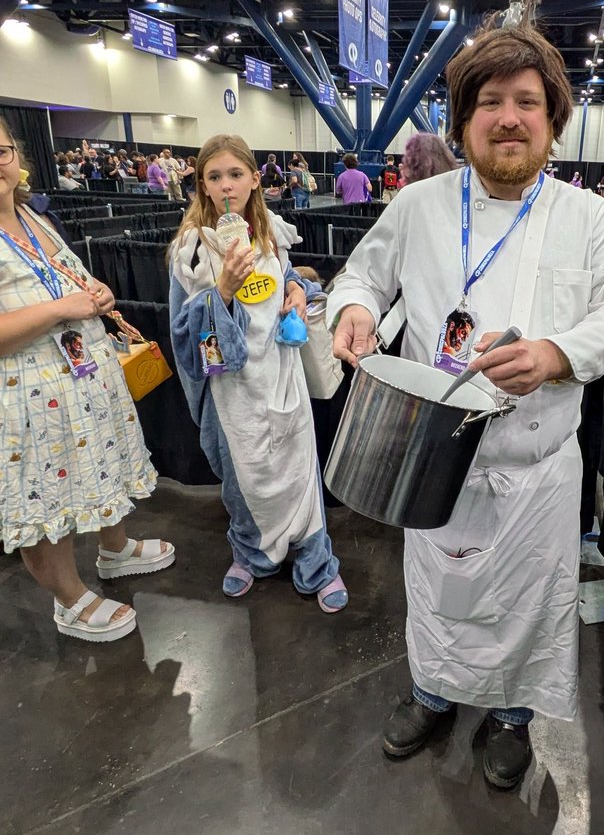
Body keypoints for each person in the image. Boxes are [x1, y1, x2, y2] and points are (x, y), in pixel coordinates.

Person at [328, 22, 604, 788]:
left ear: (553, 118)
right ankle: (434, 693)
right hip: (433, 458)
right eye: (491, 101)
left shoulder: (586, 216)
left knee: (528, 609)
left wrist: (555, 354)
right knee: (439, 594)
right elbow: (361, 277)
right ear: (464, 119)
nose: (509, 117)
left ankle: (513, 718)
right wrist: (354, 310)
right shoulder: (418, 206)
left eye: (527, 102)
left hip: (537, 470)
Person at [0, 117, 174, 643]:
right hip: (25, 397)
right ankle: (70, 601)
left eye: (1, 150)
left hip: (82, 380)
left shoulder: (33, 218)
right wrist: (60, 309)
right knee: (42, 503)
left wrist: (96, 292)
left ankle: (114, 549)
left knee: (102, 466)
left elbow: (68, 280)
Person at [168, 133, 348, 610]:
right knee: (242, 477)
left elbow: (284, 277)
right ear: (202, 186)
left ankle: (315, 558)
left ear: (253, 179)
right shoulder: (191, 252)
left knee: (296, 469)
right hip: (231, 390)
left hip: (281, 376)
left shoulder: (271, 234)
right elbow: (184, 336)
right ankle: (251, 554)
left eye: (235, 174)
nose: (226, 185)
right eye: (214, 177)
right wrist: (221, 290)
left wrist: (294, 289)